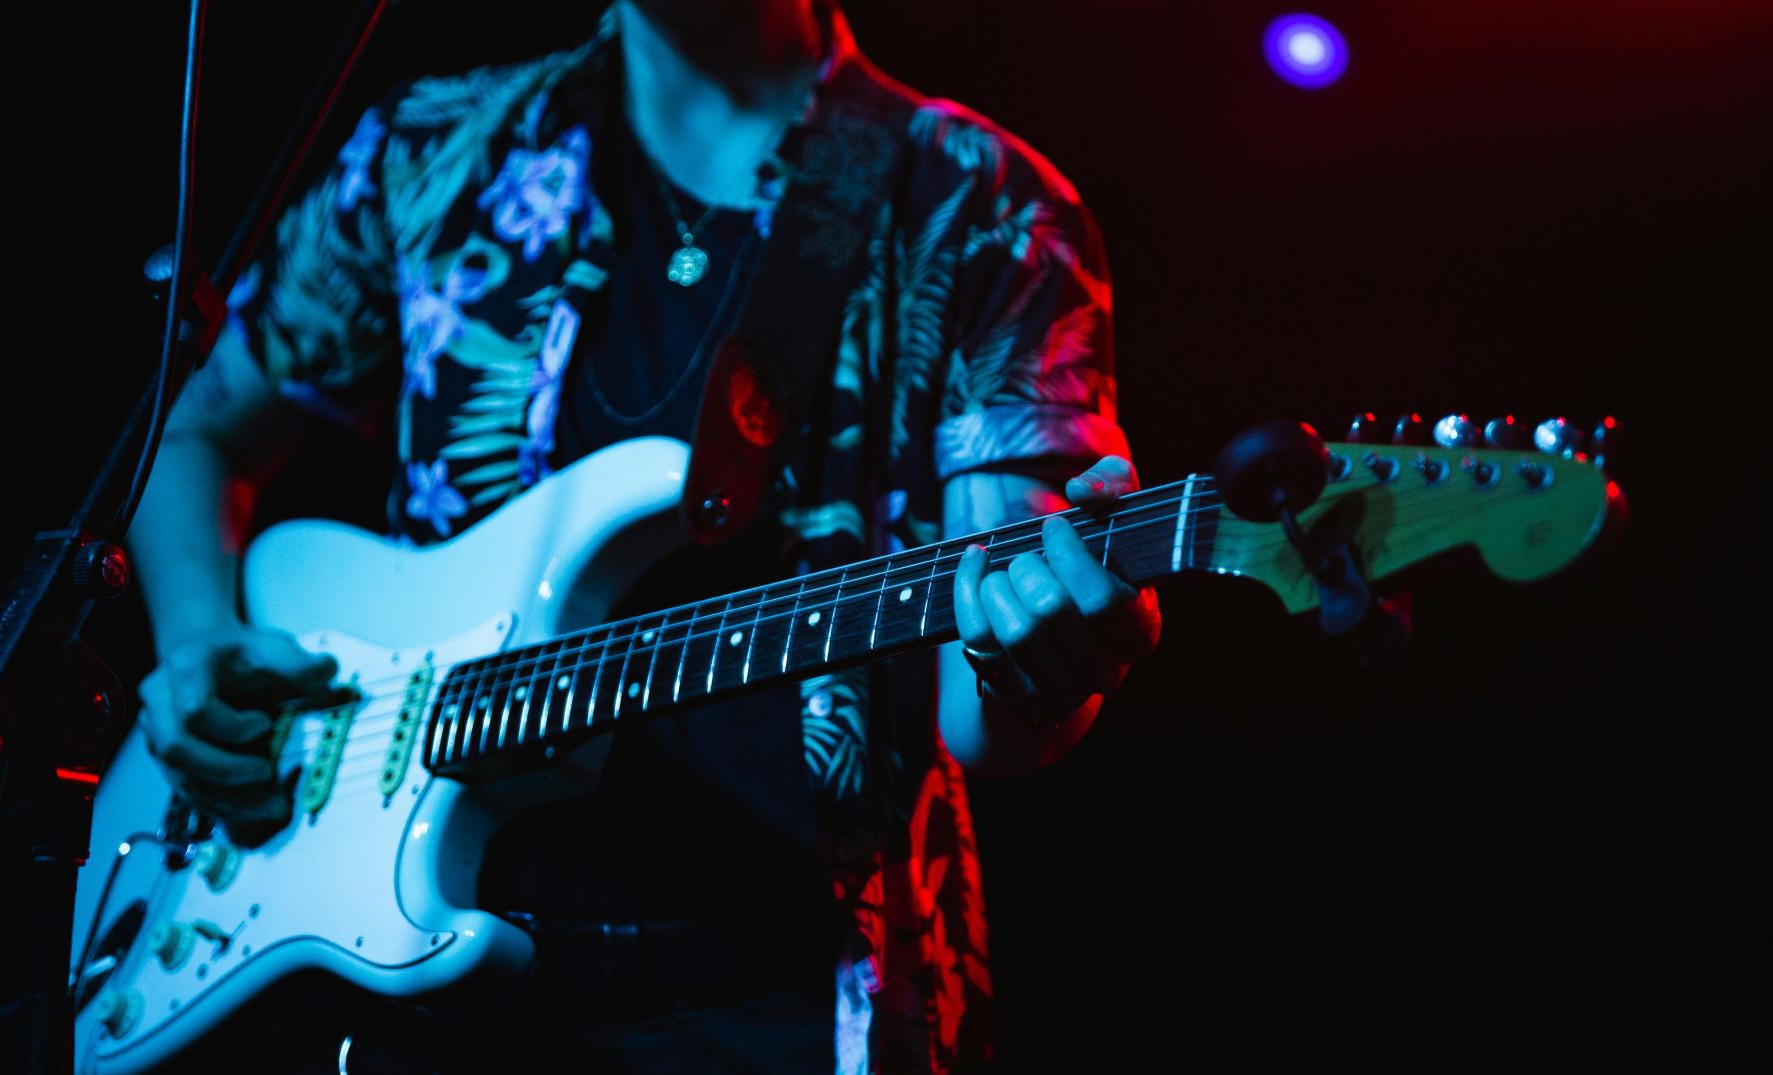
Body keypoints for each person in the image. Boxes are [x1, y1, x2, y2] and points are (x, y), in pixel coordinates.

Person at [126, 0, 1161, 1070]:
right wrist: (197, 638)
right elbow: (188, 431)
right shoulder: (432, 150)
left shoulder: (984, 204)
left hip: (791, 1005)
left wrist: (1041, 654)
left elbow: (988, 714)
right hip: (437, 1009)